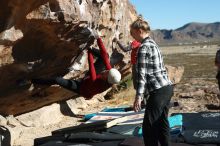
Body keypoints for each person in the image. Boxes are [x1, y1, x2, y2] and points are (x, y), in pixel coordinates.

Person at [31, 30, 121, 100]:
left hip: (82, 88)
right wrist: (98, 38)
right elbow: (105, 56)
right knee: (105, 58)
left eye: (107, 72)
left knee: (57, 80)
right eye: (109, 70)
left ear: (106, 77)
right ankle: (91, 47)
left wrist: (89, 52)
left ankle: (31, 80)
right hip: (90, 79)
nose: (107, 70)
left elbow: (92, 67)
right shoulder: (109, 76)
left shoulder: (97, 84)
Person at [130, 18, 173, 146]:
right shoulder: (154, 44)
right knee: (162, 123)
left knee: (148, 127)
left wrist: (138, 97)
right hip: (167, 87)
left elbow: (142, 75)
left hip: (159, 91)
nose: (132, 36)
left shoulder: (143, 47)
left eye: (132, 33)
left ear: (139, 31)